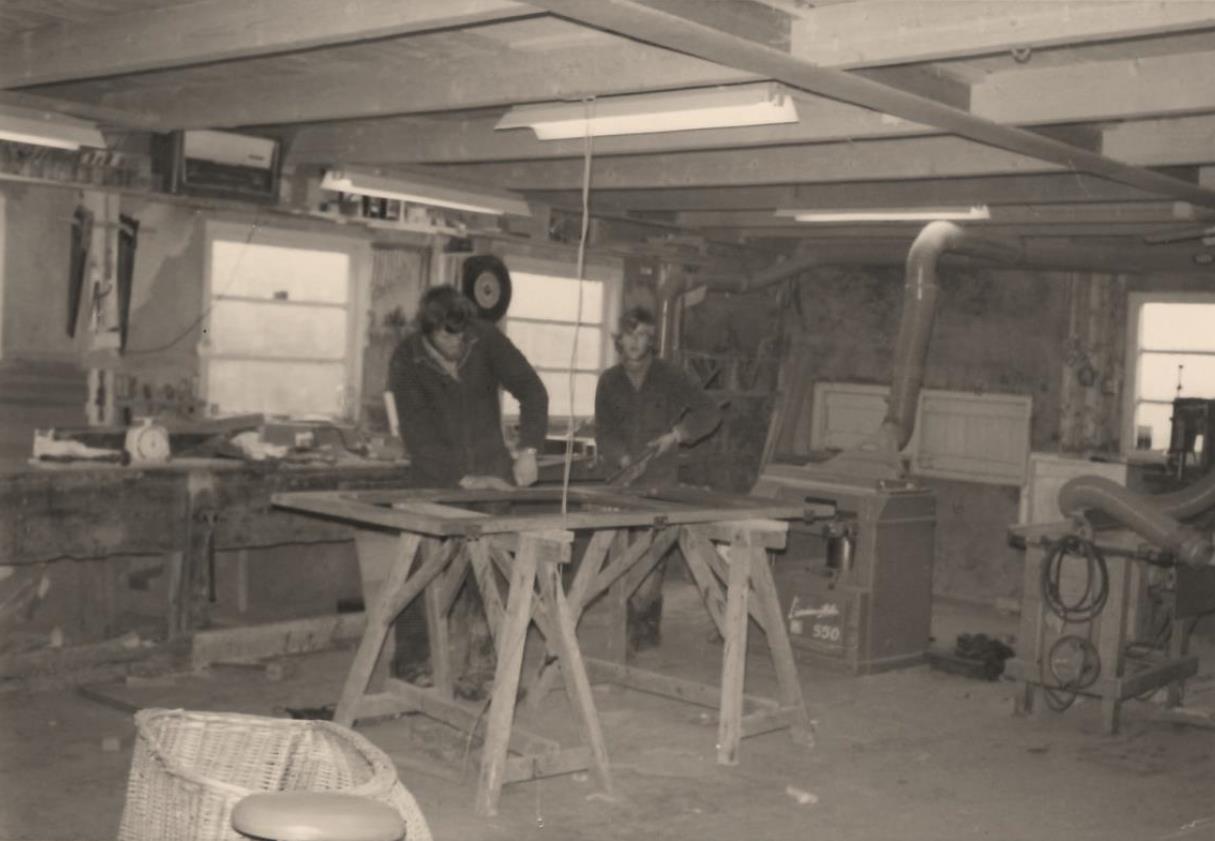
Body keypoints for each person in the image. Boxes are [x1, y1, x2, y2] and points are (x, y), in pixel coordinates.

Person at [387, 285, 548, 696]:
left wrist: (529, 450)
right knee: (420, 570)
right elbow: (417, 437)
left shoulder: (484, 337)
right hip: (435, 475)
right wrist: (465, 478)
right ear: (428, 331)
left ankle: (482, 668)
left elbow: (532, 390)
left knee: (492, 568)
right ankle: (412, 662)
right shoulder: (406, 358)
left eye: (463, 335)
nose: (458, 344)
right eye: (448, 337)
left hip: (492, 468)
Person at [594, 305, 721, 649]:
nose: (636, 342)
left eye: (644, 336)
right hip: (621, 480)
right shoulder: (609, 381)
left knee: (653, 554)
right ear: (619, 338)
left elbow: (709, 412)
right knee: (622, 555)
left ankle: (645, 624)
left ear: (652, 341)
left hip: (659, 480)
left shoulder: (670, 376)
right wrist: (622, 458)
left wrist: (677, 436)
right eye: (630, 334)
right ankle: (630, 623)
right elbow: (603, 431)